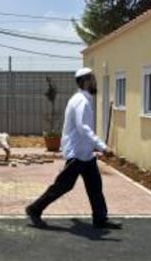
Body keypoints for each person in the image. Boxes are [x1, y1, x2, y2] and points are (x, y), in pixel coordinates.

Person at [25, 68, 122, 230]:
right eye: (93, 79)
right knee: (63, 186)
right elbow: (83, 127)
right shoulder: (80, 101)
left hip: (86, 154)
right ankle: (34, 209)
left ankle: (100, 219)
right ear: (85, 82)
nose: (95, 82)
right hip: (77, 153)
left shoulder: (83, 99)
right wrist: (103, 147)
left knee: (95, 186)